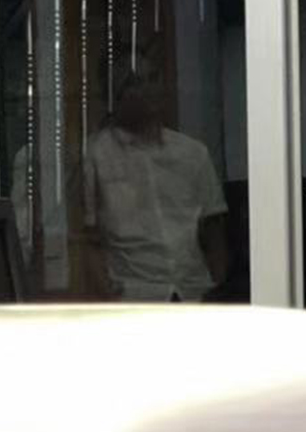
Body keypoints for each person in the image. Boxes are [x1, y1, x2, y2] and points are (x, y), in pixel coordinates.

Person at [78, 58, 228, 302]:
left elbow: (214, 227)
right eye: (134, 83)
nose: (147, 89)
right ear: (113, 95)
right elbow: (87, 238)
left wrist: (217, 285)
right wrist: (108, 298)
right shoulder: (96, 154)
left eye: (153, 78)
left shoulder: (192, 153)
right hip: (133, 298)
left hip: (193, 293)